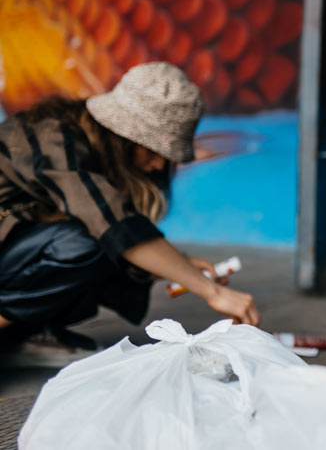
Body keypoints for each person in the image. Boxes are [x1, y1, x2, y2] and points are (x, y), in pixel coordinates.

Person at [0, 62, 259, 362]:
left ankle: (20, 334)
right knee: (83, 245)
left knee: (112, 252)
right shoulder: (55, 137)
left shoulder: (93, 145)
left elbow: (115, 227)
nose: (160, 166)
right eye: (153, 151)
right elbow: (111, 224)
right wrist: (211, 292)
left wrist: (182, 266)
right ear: (124, 136)